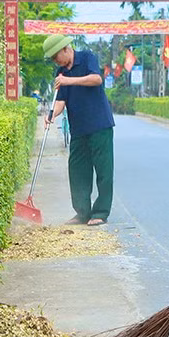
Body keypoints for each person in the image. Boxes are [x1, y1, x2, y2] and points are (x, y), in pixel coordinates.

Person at [43, 35, 115, 226]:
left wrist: (69, 81)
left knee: (103, 170)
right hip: (78, 129)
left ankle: (100, 212)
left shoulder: (87, 57)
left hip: (100, 125)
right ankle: (82, 213)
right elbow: (60, 101)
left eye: (55, 56)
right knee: (77, 170)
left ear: (66, 49)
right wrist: (52, 115)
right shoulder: (61, 72)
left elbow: (96, 79)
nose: (55, 61)